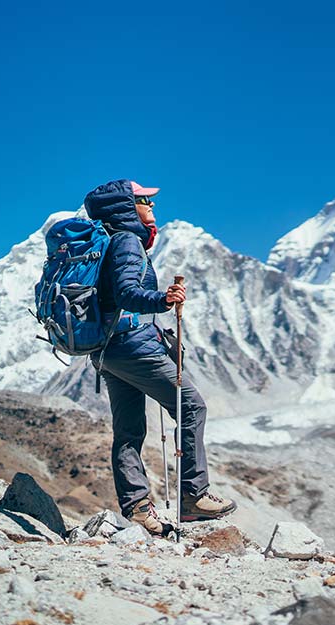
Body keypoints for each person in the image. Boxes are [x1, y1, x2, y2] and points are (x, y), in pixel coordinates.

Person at [83, 178, 236, 534]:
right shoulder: (126, 242)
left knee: (129, 431)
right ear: (125, 207)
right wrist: (163, 300)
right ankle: (194, 497)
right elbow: (127, 293)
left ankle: (137, 507)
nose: (152, 207)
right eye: (144, 201)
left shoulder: (105, 243)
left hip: (106, 350)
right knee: (191, 405)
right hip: (133, 344)